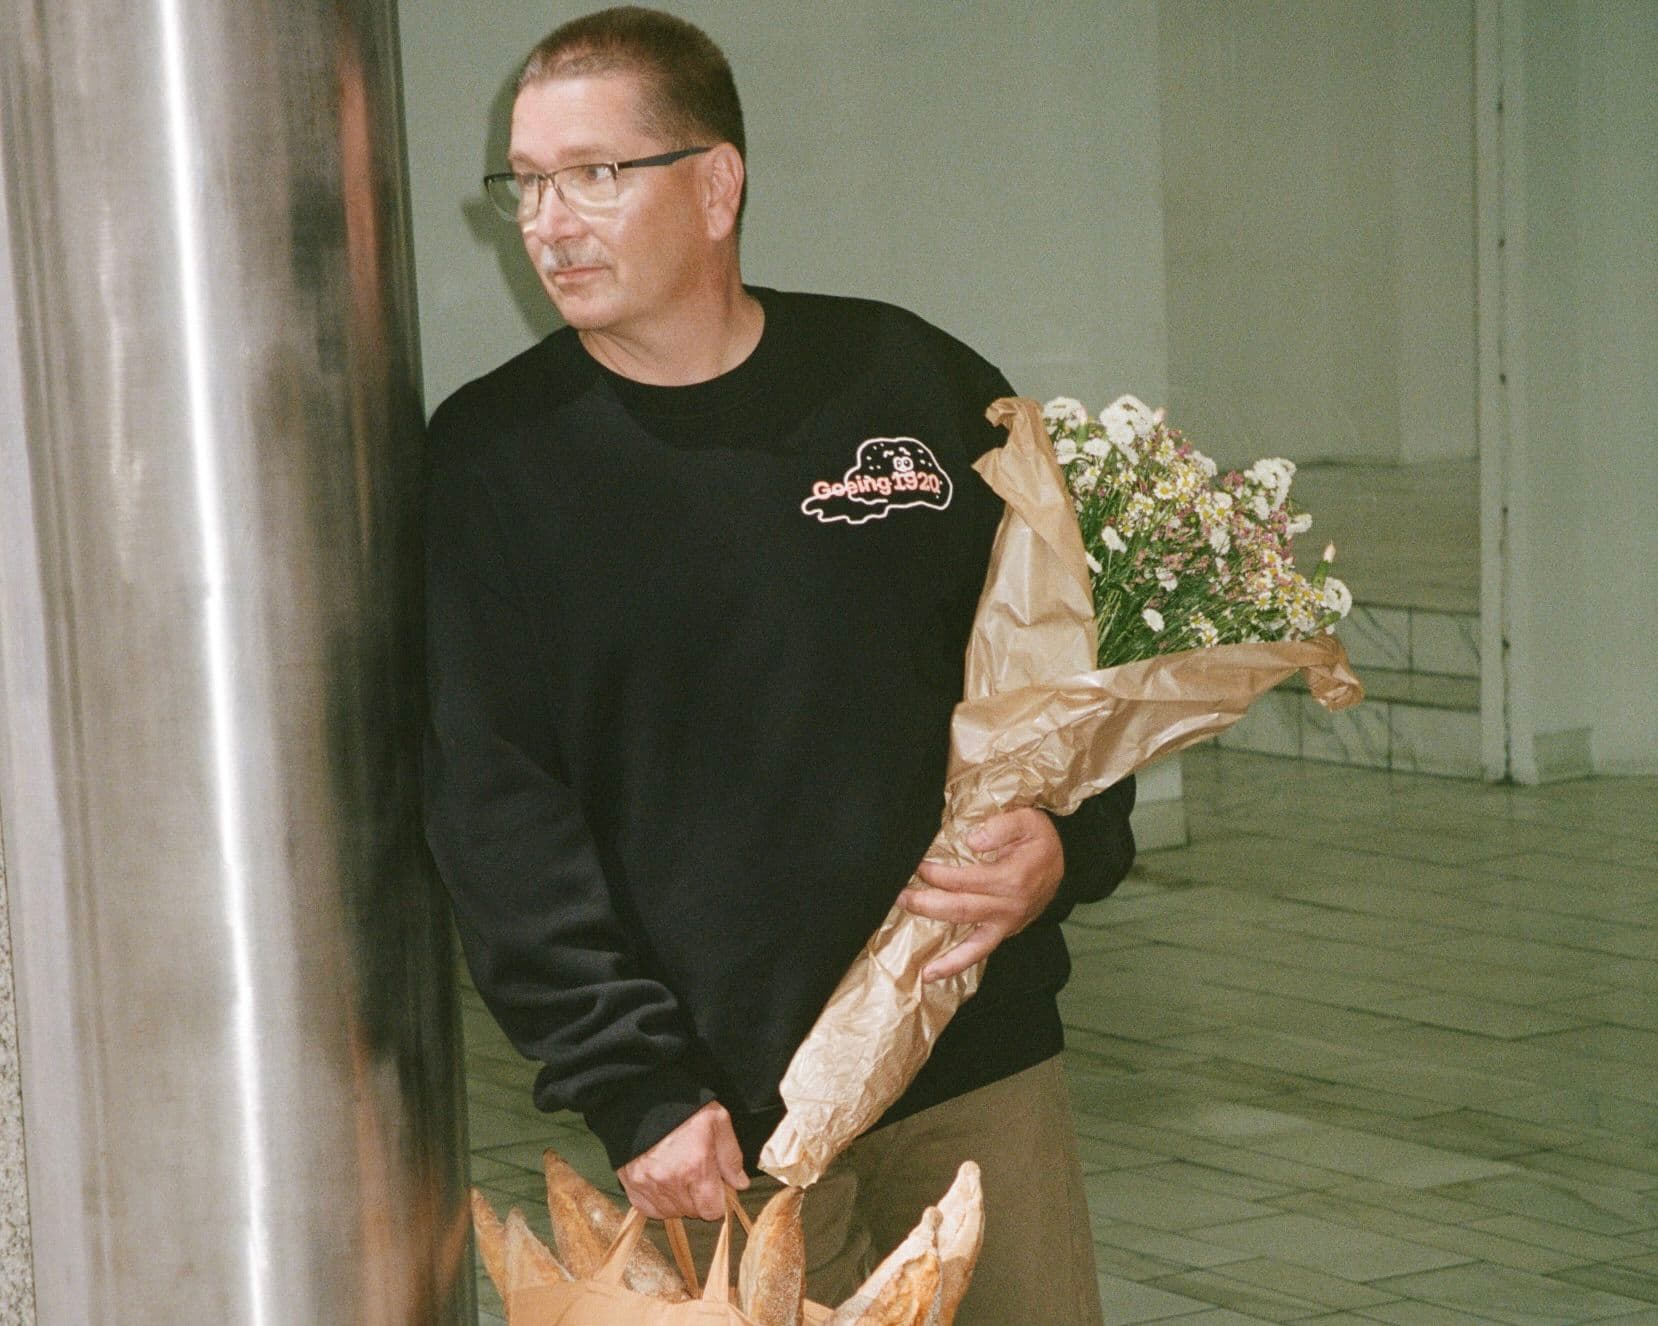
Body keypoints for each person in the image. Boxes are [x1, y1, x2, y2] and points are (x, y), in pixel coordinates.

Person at [421, 8, 1135, 1322]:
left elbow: (1055, 660)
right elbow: (496, 807)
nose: (547, 221)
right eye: (522, 184)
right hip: (718, 1118)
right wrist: (633, 1083)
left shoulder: (903, 384)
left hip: (968, 1056)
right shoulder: (490, 466)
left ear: (715, 183)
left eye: (593, 174)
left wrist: (1063, 839)